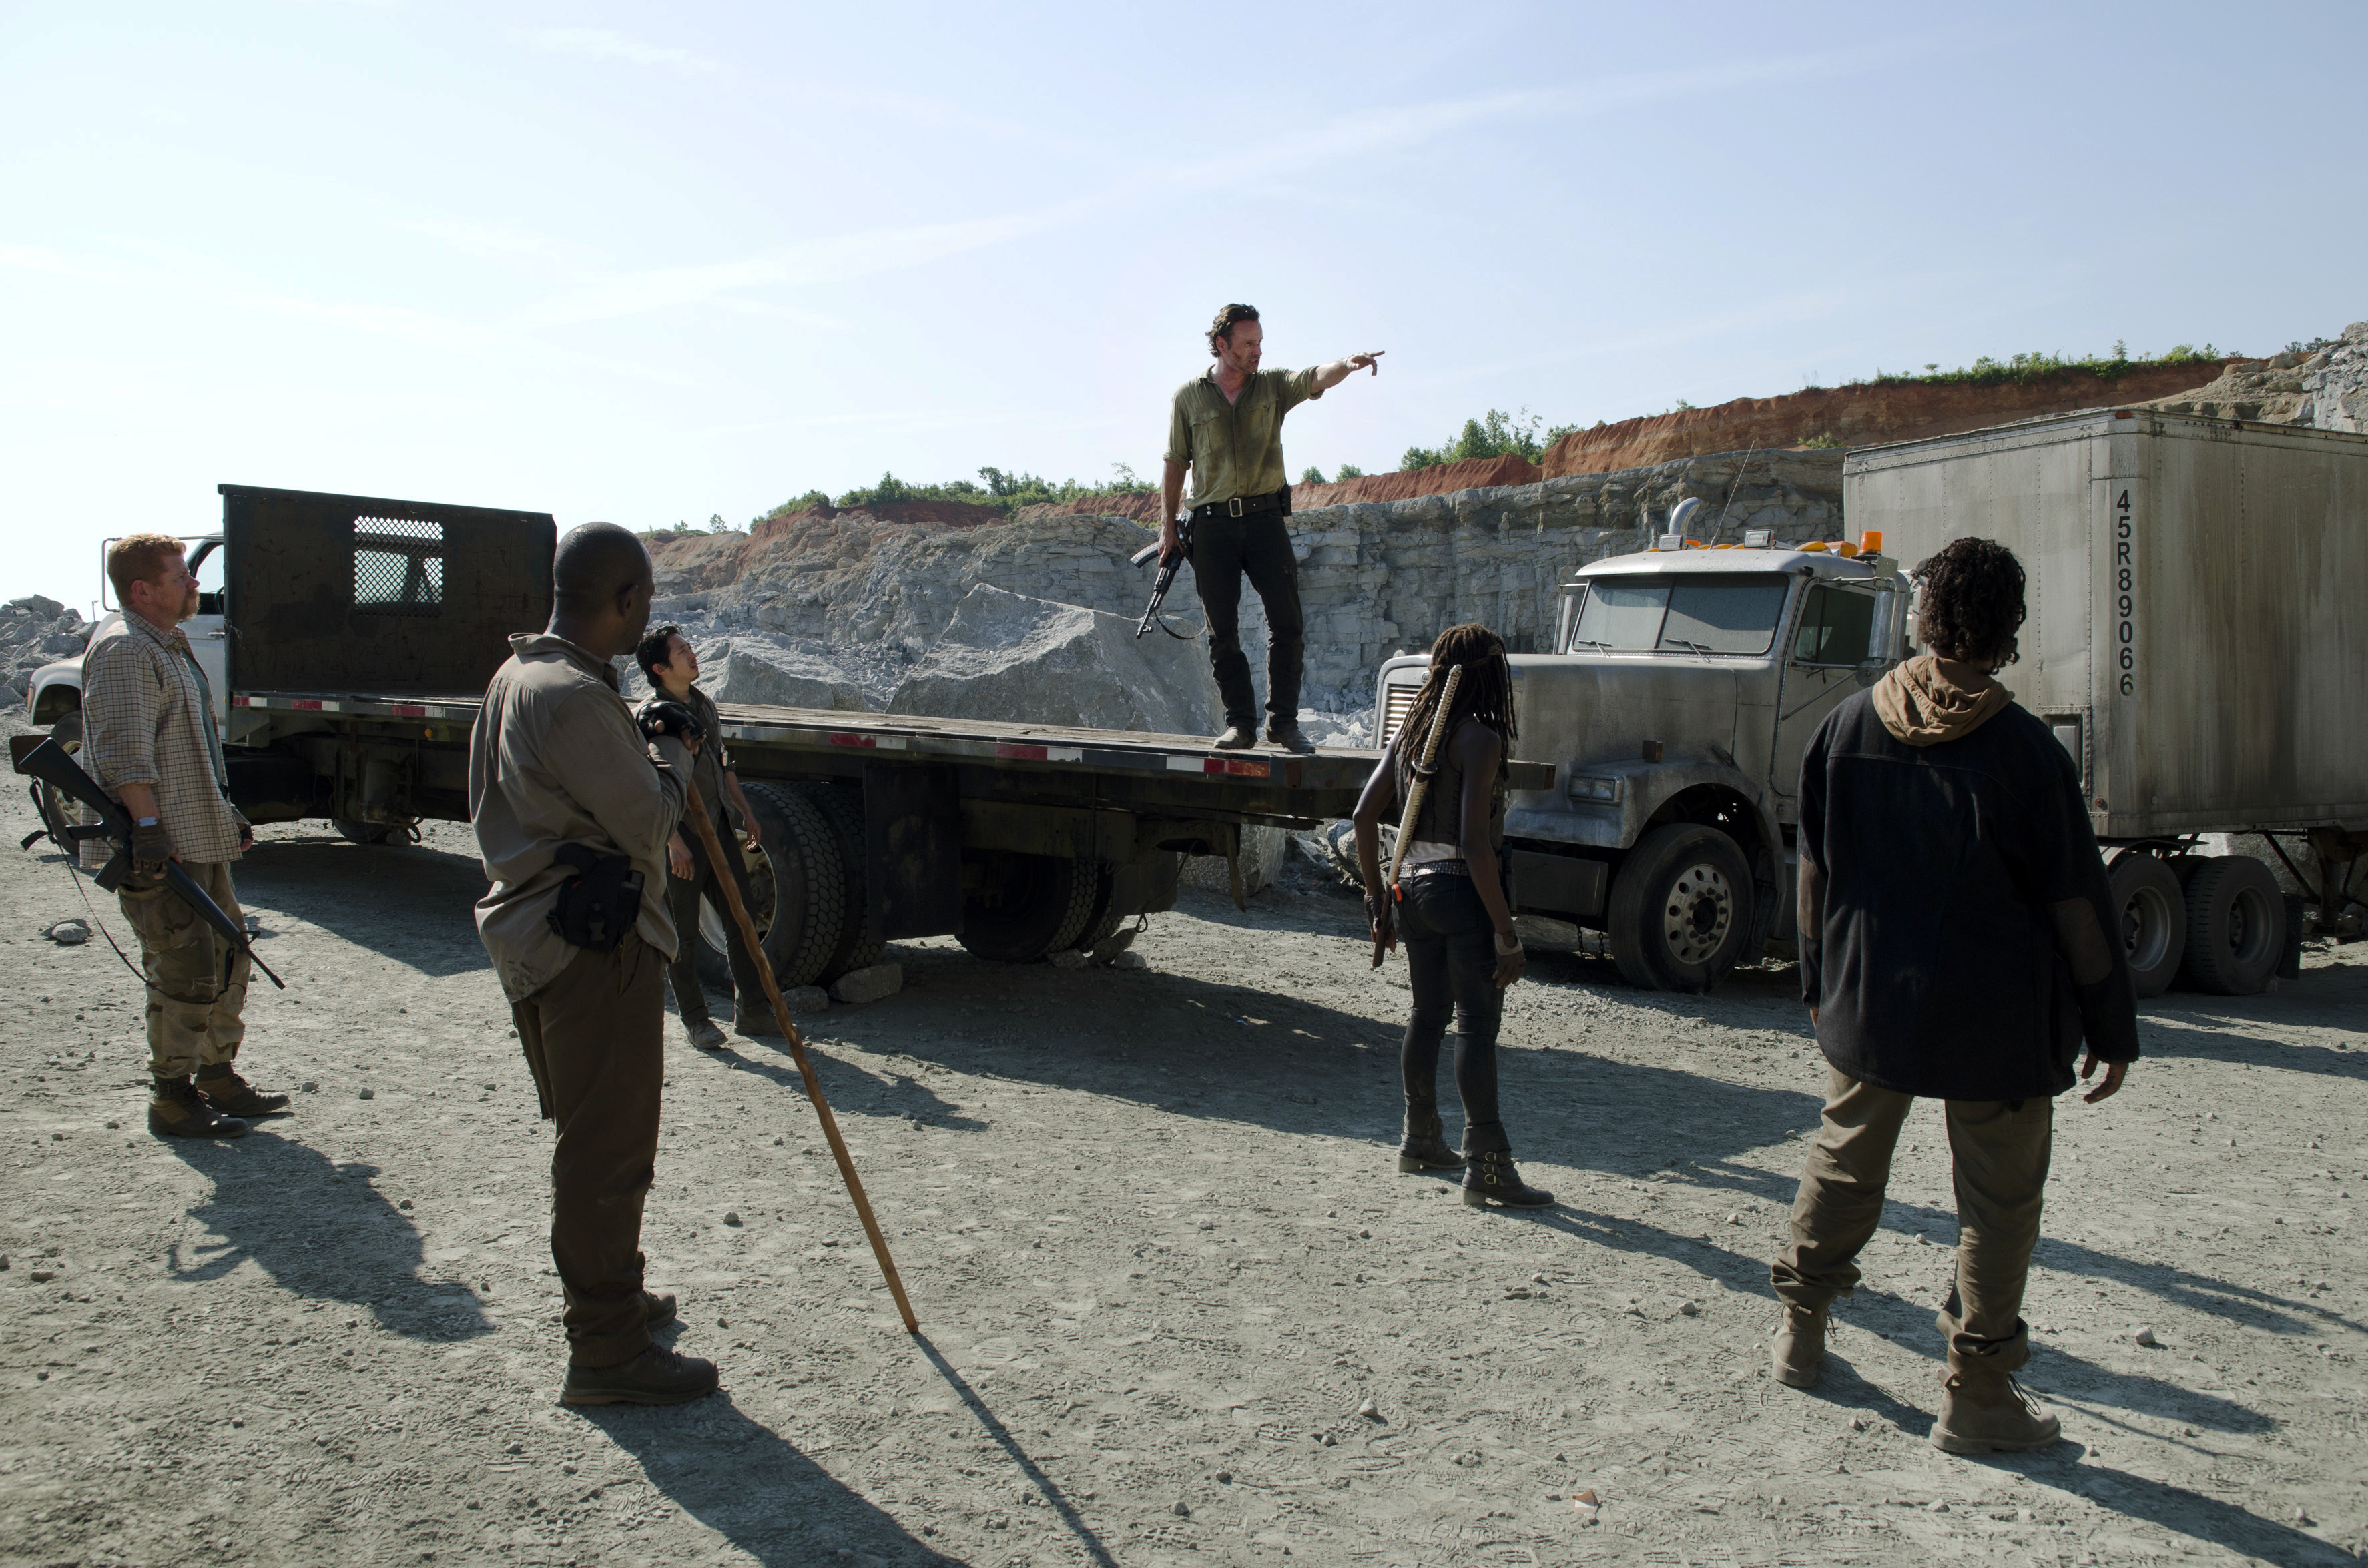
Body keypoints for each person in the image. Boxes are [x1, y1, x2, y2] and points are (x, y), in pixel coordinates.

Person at [1768, 536, 2140, 1454]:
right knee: (1999, 1205)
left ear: (1922, 619)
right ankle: (1976, 1394)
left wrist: (1820, 982)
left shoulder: (1845, 726)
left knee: (1846, 1162)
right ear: (2009, 629)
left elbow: (1812, 876)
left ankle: (1801, 1335)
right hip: (1996, 1024)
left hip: (1870, 1011)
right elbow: (2076, 910)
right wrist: (2111, 1024)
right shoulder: (2026, 755)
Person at [469, 522, 719, 1406]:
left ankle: (616, 1292)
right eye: (643, 602)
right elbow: (648, 818)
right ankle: (606, 1346)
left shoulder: (519, 677)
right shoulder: (573, 697)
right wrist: (674, 744)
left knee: (598, 1136)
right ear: (624, 601)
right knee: (607, 1149)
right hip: (589, 946)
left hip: (543, 930)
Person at [82, 534, 288, 1139]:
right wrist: (146, 828)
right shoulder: (125, 650)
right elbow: (125, 752)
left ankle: (216, 1076)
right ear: (142, 589)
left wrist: (228, 817)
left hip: (196, 835)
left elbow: (192, 748)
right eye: (181, 576)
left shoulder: (167, 646)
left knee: (229, 954)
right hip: (160, 846)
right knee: (186, 969)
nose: (195, 584)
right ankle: (171, 1097)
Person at [1352, 623, 1550, 1208]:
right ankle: (1488, 1167)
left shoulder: (1411, 738)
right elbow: (1474, 843)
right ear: (1491, 676)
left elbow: (1365, 816)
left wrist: (1377, 899)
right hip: (1461, 895)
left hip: (1410, 889)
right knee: (1476, 1026)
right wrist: (1507, 934)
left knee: (1427, 1014)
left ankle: (1420, 1139)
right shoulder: (1479, 740)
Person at [1159, 302, 1385, 753]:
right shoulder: (1189, 397)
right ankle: (1240, 724)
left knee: (1288, 623)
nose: (1257, 351)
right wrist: (1167, 527)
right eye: (1248, 344)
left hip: (1265, 521)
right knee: (1222, 632)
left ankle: (1283, 723)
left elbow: (1313, 377)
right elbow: (1175, 463)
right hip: (1212, 527)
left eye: (1260, 342)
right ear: (1222, 345)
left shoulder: (1273, 387)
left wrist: (1346, 364)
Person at [632, 625, 775, 1050]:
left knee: (742, 920)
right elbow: (648, 785)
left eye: (690, 648)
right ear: (660, 668)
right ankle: (696, 1020)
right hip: (682, 838)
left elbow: (722, 760)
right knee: (682, 931)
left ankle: (752, 1010)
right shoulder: (652, 718)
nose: (692, 655)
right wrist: (673, 840)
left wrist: (744, 810)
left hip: (716, 828)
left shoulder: (703, 706)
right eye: (682, 652)